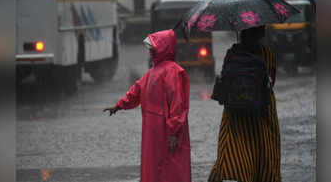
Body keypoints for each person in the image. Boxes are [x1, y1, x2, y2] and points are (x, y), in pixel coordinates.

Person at [104, 29, 192, 182]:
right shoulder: (152, 72)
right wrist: (119, 106)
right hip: (153, 132)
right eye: (150, 48)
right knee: (155, 167)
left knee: (170, 168)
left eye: (153, 48)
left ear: (162, 48)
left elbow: (177, 104)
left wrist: (173, 132)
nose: (150, 51)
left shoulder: (172, 71)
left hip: (166, 131)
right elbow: (135, 92)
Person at [208, 26, 281, 182]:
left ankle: (232, 174)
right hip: (261, 115)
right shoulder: (266, 54)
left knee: (235, 151)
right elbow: (271, 82)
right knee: (264, 152)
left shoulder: (232, 54)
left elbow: (225, 83)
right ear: (260, 34)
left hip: (235, 115)